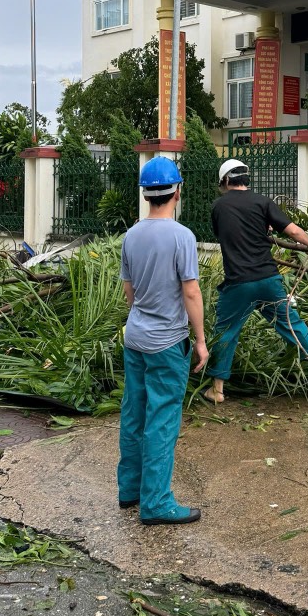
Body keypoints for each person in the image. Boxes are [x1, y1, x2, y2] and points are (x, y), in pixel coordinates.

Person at [118, 155, 208, 526]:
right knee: (162, 420)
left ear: (145, 194)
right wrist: (200, 340)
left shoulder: (131, 235)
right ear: (177, 192)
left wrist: (142, 317)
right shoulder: (181, 236)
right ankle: (155, 503)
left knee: (134, 412)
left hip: (136, 338)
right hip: (168, 343)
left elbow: (129, 291)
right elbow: (191, 292)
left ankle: (130, 490)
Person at [206, 158, 308, 404]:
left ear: (226, 180)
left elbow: (225, 233)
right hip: (268, 278)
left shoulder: (218, 206)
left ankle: (217, 390)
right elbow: (293, 231)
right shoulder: (263, 202)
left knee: (225, 331)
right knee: (290, 322)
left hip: (238, 283)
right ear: (246, 178)